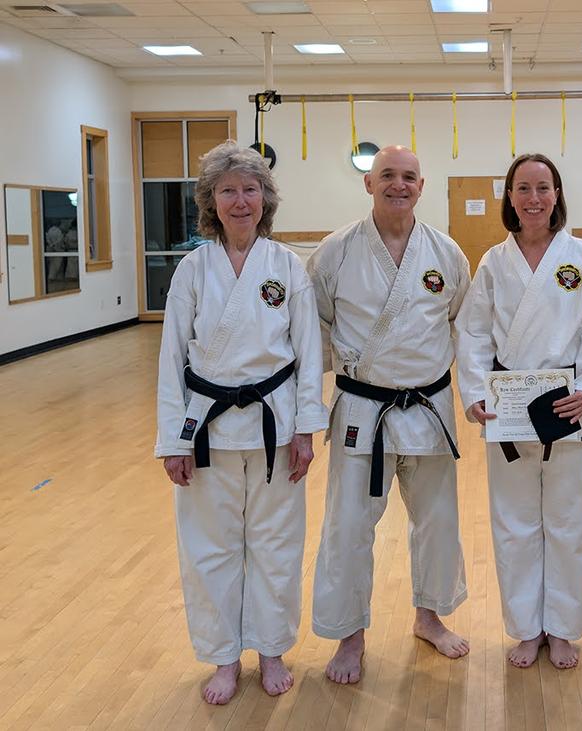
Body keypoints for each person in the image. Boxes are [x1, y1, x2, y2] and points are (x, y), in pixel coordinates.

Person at [155, 141, 328, 705]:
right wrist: (173, 440)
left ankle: (271, 648)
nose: (240, 201)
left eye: (250, 189)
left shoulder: (286, 267)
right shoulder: (192, 269)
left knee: (277, 543)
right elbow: (170, 359)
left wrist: (306, 428)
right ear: (211, 201)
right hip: (207, 427)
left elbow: (309, 354)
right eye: (227, 190)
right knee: (211, 547)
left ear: (265, 199)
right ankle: (224, 656)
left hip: (274, 422)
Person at [307, 145, 471, 685]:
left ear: (422, 186)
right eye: (387, 176)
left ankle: (430, 616)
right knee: (349, 526)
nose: (398, 185)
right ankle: (349, 635)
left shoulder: (446, 253)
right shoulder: (335, 252)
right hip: (362, 407)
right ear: (369, 184)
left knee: (437, 520)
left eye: (408, 177)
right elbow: (314, 329)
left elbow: (461, 326)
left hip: (428, 406)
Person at [455, 153, 582, 670]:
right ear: (509, 196)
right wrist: (475, 391)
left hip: (569, 403)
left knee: (568, 522)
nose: (533, 198)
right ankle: (527, 628)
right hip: (508, 406)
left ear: (557, 194)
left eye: (543, 188)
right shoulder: (493, 262)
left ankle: (563, 629)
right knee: (515, 522)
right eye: (523, 188)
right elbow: (473, 331)